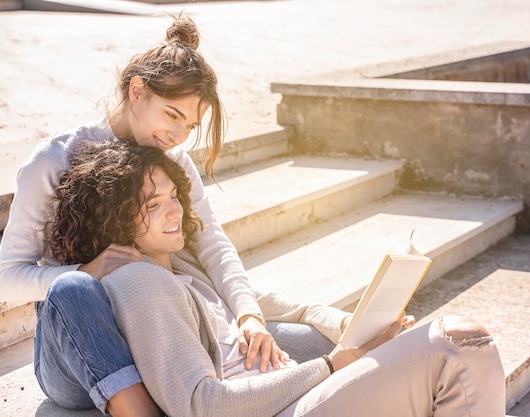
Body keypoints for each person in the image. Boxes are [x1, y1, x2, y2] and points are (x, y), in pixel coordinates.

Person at [46, 140, 506, 417]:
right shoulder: (140, 283)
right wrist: (332, 365)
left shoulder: (187, 269)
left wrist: (360, 326)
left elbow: (298, 310)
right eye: (151, 204)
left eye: (173, 195)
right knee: (461, 346)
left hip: (302, 392)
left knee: (461, 346)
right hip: (285, 406)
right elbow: (204, 406)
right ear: (116, 222)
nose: (175, 210)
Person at [0, 15, 315, 416]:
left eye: (189, 125)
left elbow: (212, 241)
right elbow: (6, 278)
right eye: (171, 115)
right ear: (136, 91)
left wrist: (249, 315)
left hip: (166, 336)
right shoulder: (54, 160)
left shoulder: (174, 160)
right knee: (73, 290)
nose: (178, 136)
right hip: (82, 344)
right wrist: (88, 269)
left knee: (310, 342)